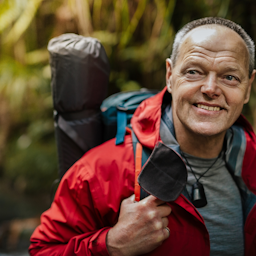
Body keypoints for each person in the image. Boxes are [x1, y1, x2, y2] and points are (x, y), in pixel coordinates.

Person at [29, 17, 256, 256]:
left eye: (229, 77)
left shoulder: (251, 163)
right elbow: (43, 250)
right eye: (194, 72)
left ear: (248, 87)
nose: (210, 88)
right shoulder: (102, 170)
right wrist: (111, 244)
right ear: (170, 76)